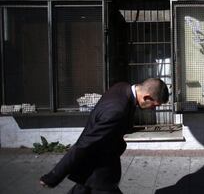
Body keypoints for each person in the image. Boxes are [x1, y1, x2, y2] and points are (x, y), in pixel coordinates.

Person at [40, 78, 169, 194]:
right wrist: (54, 176)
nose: (153, 109)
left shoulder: (122, 87)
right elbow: (84, 144)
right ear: (146, 97)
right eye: (154, 105)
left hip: (95, 167)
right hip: (100, 168)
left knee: (82, 189)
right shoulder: (116, 111)